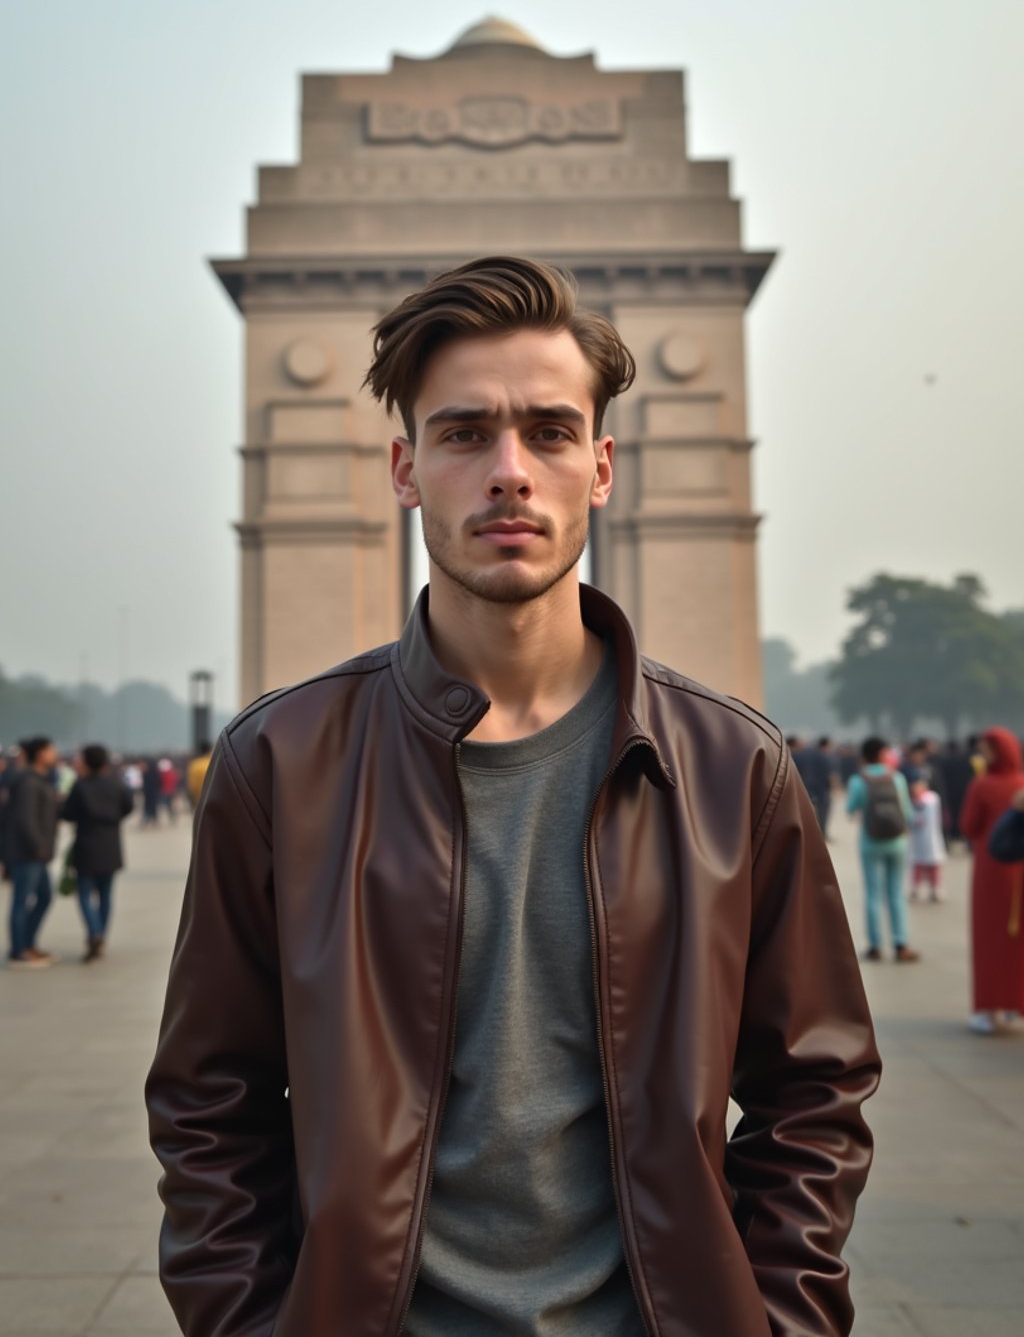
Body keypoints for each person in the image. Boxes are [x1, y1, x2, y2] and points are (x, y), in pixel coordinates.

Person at [147, 256, 881, 1337]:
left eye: (546, 430)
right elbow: (210, 1104)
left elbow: (813, 1091)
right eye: (462, 434)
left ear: (602, 465)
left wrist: (781, 1320)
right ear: (403, 468)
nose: (508, 472)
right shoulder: (280, 765)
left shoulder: (734, 769)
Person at [960, 727, 1024, 1034]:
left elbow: (969, 826)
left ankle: (987, 1007)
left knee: (988, 938)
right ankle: (1015, 1003)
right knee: (1017, 940)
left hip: (991, 866)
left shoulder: (981, 785)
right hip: (1020, 868)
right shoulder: (1021, 785)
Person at [845, 736, 920, 963]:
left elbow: (850, 809)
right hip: (897, 841)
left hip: (870, 841)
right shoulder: (896, 778)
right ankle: (900, 943)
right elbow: (907, 813)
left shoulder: (858, 780)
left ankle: (875, 946)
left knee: (873, 894)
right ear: (882, 754)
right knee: (896, 893)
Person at [60, 743, 135, 961]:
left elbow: (67, 813)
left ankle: (94, 932)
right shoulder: (116, 784)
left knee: (84, 893)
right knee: (106, 894)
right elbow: (128, 807)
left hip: (86, 845)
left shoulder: (80, 786)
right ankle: (101, 933)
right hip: (111, 846)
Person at [5, 736, 59, 968]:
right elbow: (25, 819)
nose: (54, 754)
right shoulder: (29, 782)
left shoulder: (37, 779)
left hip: (36, 852)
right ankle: (19, 950)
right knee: (21, 900)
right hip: (28, 852)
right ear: (39, 754)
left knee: (44, 896)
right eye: (50, 750)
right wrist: (39, 845)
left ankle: (27, 944)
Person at [907, 771, 946, 902]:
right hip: (919, 839)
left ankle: (935, 889)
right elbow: (912, 819)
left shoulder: (931, 798)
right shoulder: (913, 800)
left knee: (933, 865)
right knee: (918, 864)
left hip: (932, 837)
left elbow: (924, 813)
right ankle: (915, 889)